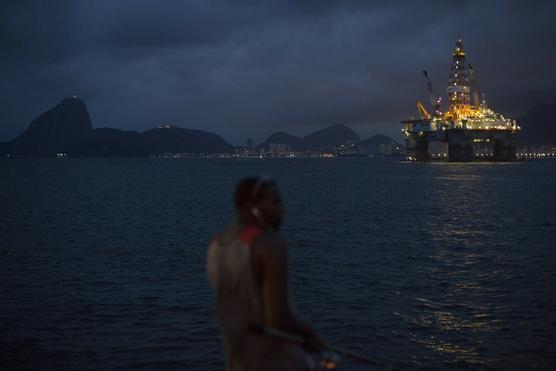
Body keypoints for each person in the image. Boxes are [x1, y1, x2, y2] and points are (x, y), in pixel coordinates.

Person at [207, 176, 324, 371]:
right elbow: (277, 318)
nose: (282, 209)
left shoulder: (217, 244)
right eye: (275, 201)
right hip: (272, 359)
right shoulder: (269, 245)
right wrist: (308, 333)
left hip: (238, 359)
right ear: (254, 206)